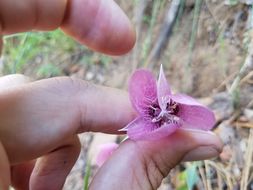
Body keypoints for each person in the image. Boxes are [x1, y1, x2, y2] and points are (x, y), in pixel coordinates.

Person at [0, 0, 223, 189]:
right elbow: (140, 122)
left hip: (157, 122)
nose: (166, 110)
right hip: (150, 123)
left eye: (169, 108)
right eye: (167, 107)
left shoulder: (166, 111)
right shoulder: (153, 115)